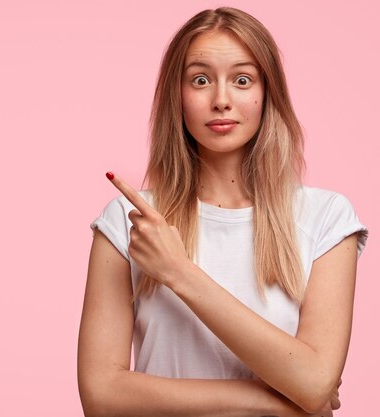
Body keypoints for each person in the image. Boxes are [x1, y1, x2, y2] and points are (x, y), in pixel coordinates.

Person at [77, 7, 368, 417]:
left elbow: (315, 381)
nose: (221, 101)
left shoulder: (327, 218)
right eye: (200, 80)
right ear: (177, 97)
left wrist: (179, 271)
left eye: (242, 80)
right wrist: (272, 402)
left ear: (268, 94)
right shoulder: (130, 221)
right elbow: (101, 397)